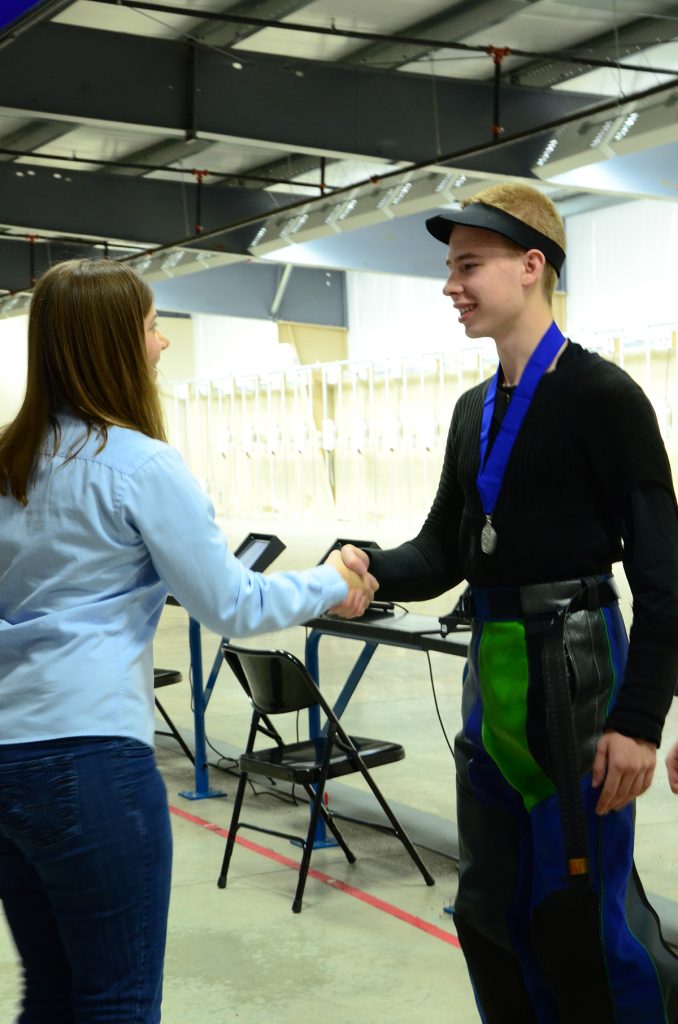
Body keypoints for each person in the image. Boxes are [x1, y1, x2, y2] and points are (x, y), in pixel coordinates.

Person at [0, 258, 377, 1024]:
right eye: (149, 325)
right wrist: (333, 581)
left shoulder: (8, 461)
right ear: (112, 343)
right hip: (91, 761)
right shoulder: (139, 465)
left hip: (7, 756)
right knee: (117, 1000)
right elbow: (233, 603)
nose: (163, 342)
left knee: (52, 992)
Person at [335, 182, 678, 1023]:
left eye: (469, 266)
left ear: (532, 267)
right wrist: (365, 563)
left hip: (577, 684)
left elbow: (666, 578)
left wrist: (638, 722)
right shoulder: (471, 412)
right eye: (450, 268)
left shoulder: (606, 399)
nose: (451, 286)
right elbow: (444, 553)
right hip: (492, 687)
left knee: (578, 921)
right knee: (489, 913)